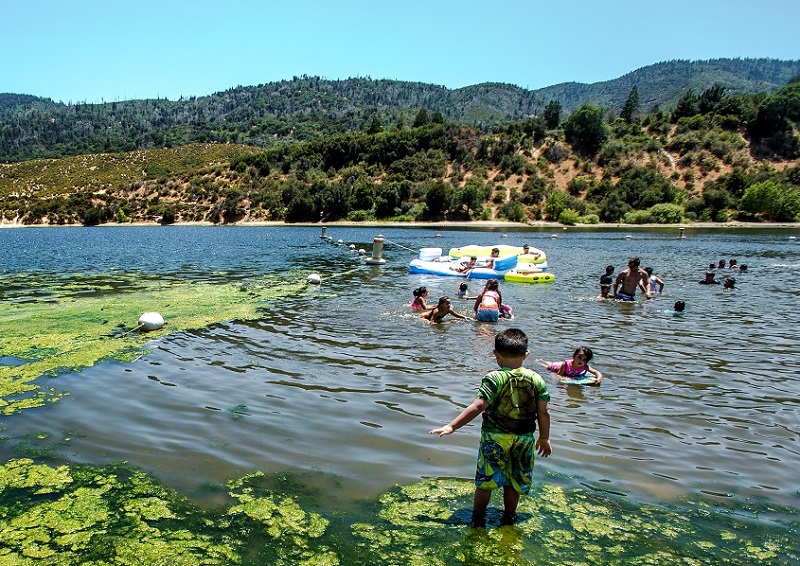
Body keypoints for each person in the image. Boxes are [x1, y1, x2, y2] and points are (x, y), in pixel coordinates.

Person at [429, 328, 551, 527]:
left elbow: (479, 406)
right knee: (514, 480)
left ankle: (478, 518)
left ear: (496, 354)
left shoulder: (494, 378)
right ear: (526, 354)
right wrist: (544, 438)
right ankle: (509, 516)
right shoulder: (537, 379)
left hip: (495, 437)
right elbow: (543, 412)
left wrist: (452, 426)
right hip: (524, 438)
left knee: (486, 480)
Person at [535, 347, 603, 385]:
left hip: (563, 367)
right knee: (548, 365)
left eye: (585, 360)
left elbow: (597, 372)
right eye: (579, 357)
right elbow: (558, 375)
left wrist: (599, 379)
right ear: (574, 356)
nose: (581, 361)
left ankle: (541, 361)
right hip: (556, 367)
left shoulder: (584, 366)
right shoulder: (565, 365)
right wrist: (564, 379)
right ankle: (539, 361)